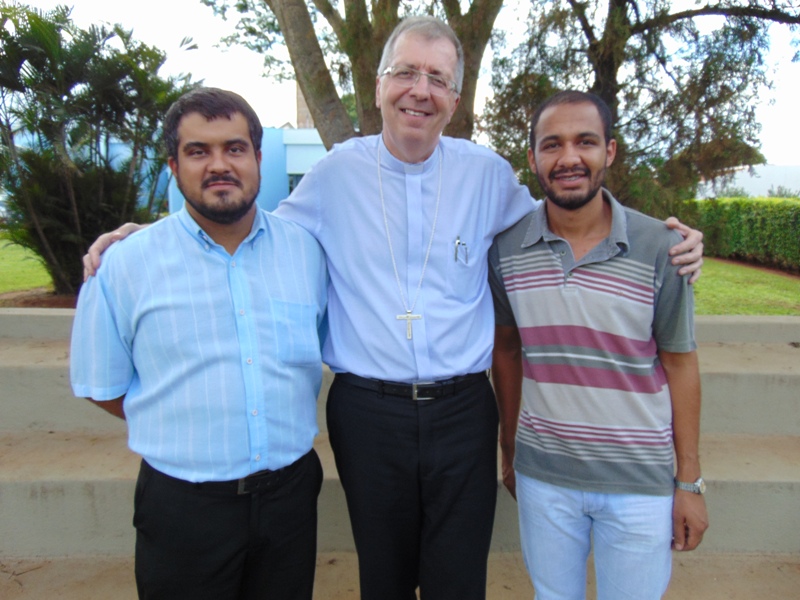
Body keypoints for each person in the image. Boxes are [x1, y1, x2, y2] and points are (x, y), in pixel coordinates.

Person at [82, 17, 704, 600]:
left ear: (455, 101)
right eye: (407, 72)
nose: (420, 90)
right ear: (380, 86)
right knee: (382, 576)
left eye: (438, 79)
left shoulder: (486, 175)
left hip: (463, 409)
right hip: (366, 412)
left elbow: (565, 210)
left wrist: (659, 237)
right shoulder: (333, 174)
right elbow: (248, 227)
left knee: (458, 577)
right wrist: (144, 233)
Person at [70, 87, 328, 600]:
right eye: (198, 151)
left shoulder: (307, 253)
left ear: (258, 157)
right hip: (183, 510)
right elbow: (101, 385)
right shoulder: (122, 266)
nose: (219, 165)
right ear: (173, 165)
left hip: (290, 502)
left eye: (234, 148)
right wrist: (178, 414)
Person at [489, 90, 709, 600]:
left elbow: (680, 364)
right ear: (533, 159)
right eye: (552, 145)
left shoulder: (665, 248)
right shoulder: (506, 250)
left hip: (639, 484)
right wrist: (510, 450)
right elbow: (507, 350)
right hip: (544, 479)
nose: (569, 158)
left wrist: (689, 483)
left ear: (609, 151)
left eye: (585, 142)